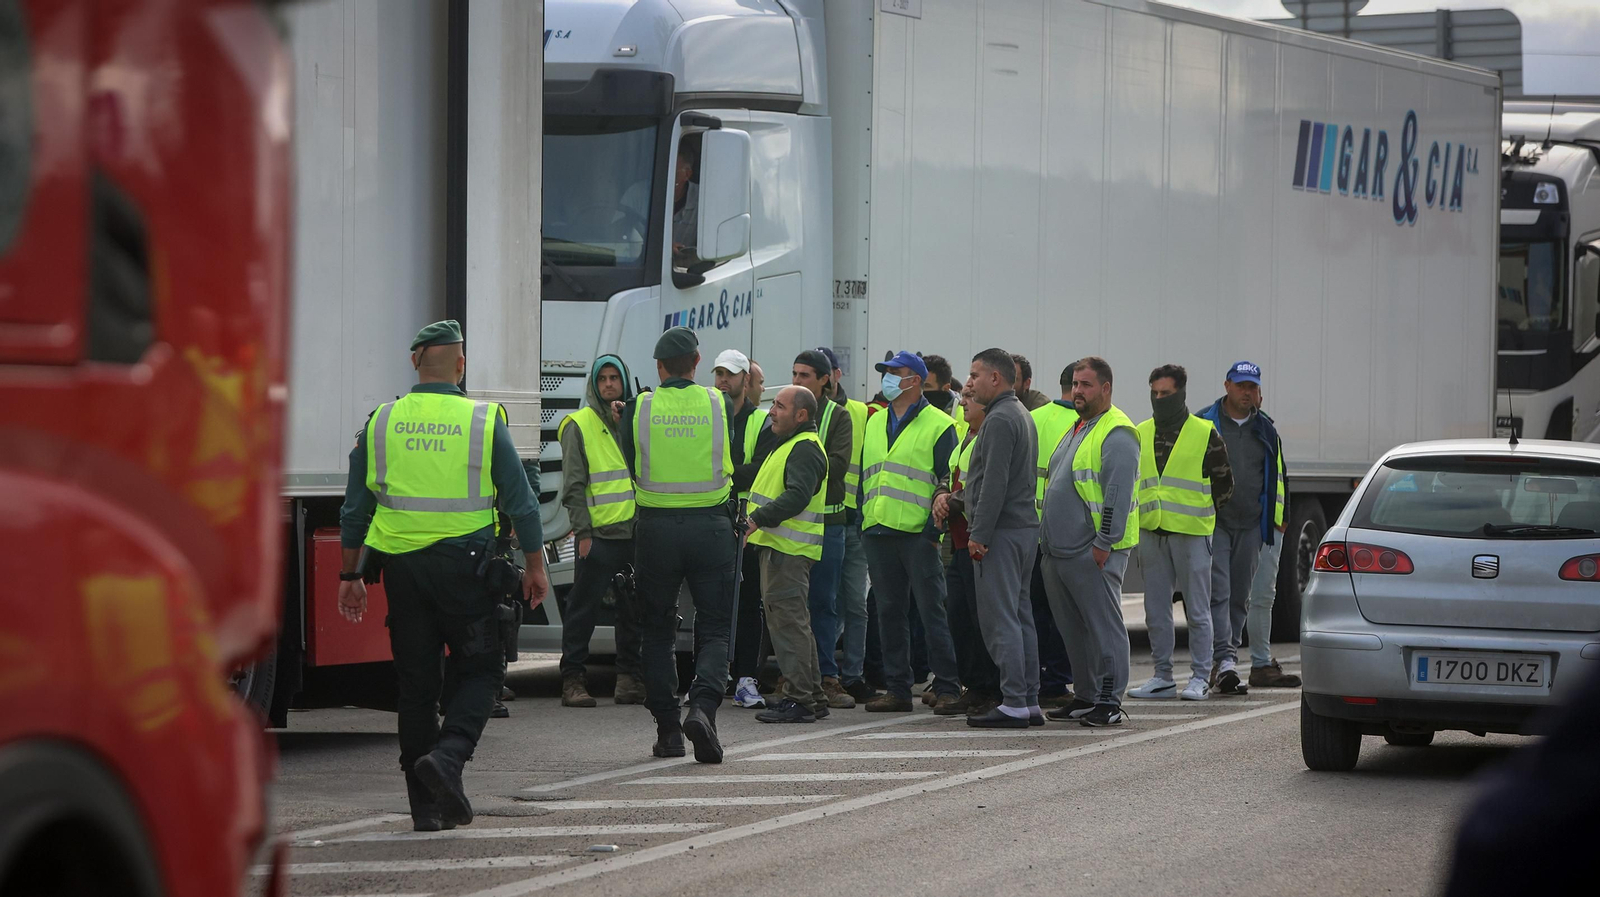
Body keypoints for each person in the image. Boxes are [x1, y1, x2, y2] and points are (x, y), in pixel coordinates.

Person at [337, 320, 549, 831]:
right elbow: (521, 501)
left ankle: (424, 808)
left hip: (404, 573)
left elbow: (354, 510)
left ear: (414, 362)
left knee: (415, 689)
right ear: (460, 365)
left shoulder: (381, 422)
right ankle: (449, 759)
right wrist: (537, 566)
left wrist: (350, 575)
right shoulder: (481, 421)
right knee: (481, 671)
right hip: (467, 572)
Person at [616, 326, 738, 763]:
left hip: (656, 529)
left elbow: (630, 457)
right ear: (698, 363)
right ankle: (703, 709)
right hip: (711, 527)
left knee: (656, 629)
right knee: (716, 627)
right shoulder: (716, 401)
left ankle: (668, 730)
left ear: (659, 367)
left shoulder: (638, 407)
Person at [860, 350, 963, 712]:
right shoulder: (874, 422)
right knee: (888, 613)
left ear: (916, 380)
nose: (887, 378)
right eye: (885, 372)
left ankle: (949, 686)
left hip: (919, 533)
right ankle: (898, 689)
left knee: (932, 610)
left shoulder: (939, 424)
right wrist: (864, 520)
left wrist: (933, 532)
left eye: (895, 372)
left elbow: (946, 480)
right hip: (877, 530)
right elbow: (867, 476)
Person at [1038, 356, 1139, 727]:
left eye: (1086, 385)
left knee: (1103, 627)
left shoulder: (1117, 431)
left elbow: (1116, 494)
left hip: (1092, 551)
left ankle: (1109, 700)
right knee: (1073, 628)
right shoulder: (1079, 426)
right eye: (1075, 384)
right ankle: (1085, 695)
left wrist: (1103, 543)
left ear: (1106, 388)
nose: (1078, 391)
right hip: (1060, 551)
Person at [1129, 364, 1233, 701]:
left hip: (1191, 534)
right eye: (1155, 393)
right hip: (1152, 532)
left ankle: (1200, 676)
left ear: (1181, 393)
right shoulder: (1140, 432)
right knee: (1155, 610)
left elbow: (1225, 486)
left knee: (1197, 609)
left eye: (1166, 394)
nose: (1159, 399)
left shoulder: (1205, 433)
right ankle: (1162, 676)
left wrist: (1198, 514)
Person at [954, 349, 1042, 728]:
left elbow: (994, 484)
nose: (968, 383)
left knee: (1001, 619)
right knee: (1020, 616)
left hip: (1003, 533)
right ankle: (1029, 699)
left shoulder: (1002, 418)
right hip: (1020, 530)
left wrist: (979, 533)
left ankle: (1016, 701)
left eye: (975, 375)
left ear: (996, 378)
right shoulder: (1016, 412)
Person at [1197, 361, 1292, 695]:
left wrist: (1276, 521)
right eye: (1241, 386)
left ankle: (1226, 658)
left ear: (1259, 391)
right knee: (1218, 593)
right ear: (1227, 386)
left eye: (1252, 387)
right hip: (1215, 522)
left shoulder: (1265, 429)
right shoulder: (1203, 423)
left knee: (1240, 597)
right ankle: (1224, 659)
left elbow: (1277, 479)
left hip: (1252, 524)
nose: (1246, 392)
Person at [556, 354, 645, 707]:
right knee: (583, 610)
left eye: (615, 378)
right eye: (603, 379)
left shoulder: (634, 420)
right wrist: (583, 533)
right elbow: (573, 486)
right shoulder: (578, 424)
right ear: (594, 384)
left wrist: (629, 423)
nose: (609, 384)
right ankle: (572, 680)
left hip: (634, 533)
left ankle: (628, 680)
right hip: (598, 536)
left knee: (633, 611)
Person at [744, 386, 831, 722]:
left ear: (801, 415)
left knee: (789, 625)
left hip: (788, 551)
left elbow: (797, 496)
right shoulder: (792, 444)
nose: (771, 412)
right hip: (783, 549)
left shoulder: (804, 448)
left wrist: (758, 519)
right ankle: (812, 696)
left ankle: (801, 700)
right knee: (794, 624)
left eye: (779, 406)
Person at [792, 350, 856, 709]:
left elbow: (838, 466)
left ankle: (828, 676)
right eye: (794, 373)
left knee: (823, 603)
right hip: (791, 523)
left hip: (828, 522)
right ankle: (796, 675)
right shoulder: (785, 411)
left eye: (805, 375)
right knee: (791, 604)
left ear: (823, 380)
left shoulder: (838, 416)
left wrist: (799, 466)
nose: (798, 380)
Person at [934, 385, 1003, 716]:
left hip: (980, 541)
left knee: (982, 619)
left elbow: (984, 485)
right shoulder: (965, 435)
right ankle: (974, 686)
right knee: (959, 616)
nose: (962, 402)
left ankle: (994, 689)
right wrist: (941, 494)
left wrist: (950, 501)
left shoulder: (989, 436)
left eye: (969, 398)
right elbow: (950, 476)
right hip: (958, 542)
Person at [815, 347, 878, 703]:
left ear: (834, 375)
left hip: (856, 520)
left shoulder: (860, 412)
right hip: (830, 518)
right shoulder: (810, 411)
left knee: (855, 604)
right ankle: (828, 672)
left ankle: (852, 674)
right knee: (827, 603)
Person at [716, 348, 771, 709]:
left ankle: (746, 678)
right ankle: (710, 677)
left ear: (745, 380)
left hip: (748, 524)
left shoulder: (760, 420)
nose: (723, 381)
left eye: (730, 374)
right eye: (718, 373)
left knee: (750, 604)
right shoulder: (707, 416)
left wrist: (724, 471)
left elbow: (761, 469)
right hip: (716, 519)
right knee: (713, 604)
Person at [1029, 369, 1080, 708]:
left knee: (1031, 612)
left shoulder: (1032, 419)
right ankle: (1056, 681)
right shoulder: (1086, 424)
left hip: (1025, 534)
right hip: (1067, 536)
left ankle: (1031, 677)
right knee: (1064, 614)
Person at [671, 138, 700, 265]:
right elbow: (617, 234)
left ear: (687, 174)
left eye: (672, 173)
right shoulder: (637, 194)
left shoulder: (703, 199)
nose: (664, 178)